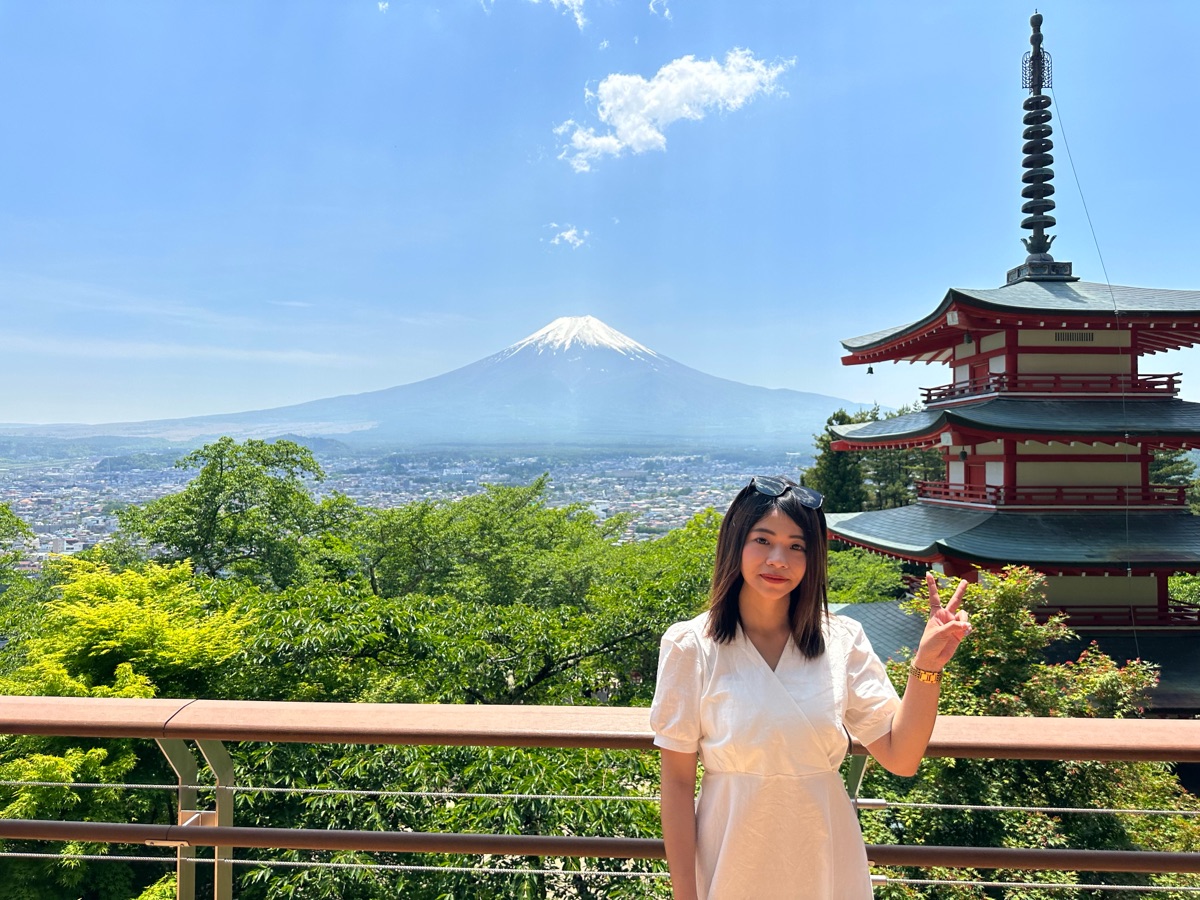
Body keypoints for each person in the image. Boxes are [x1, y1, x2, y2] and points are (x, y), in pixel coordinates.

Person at [650, 476, 971, 900]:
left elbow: (902, 756)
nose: (778, 559)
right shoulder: (691, 645)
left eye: (797, 546)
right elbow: (675, 784)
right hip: (730, 860)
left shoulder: (842, 639)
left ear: (813, 557)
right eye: (762, 540)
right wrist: (684, 896)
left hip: (824, 858)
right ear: (735, 543)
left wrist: (926, 666)